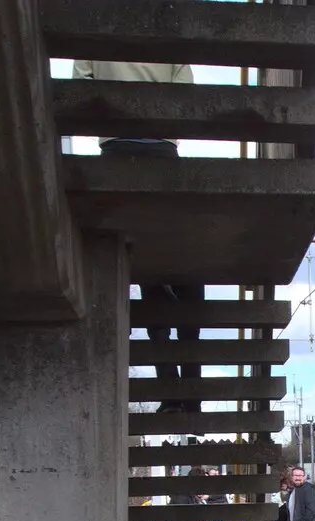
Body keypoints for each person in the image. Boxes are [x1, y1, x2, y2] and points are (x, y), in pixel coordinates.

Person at [73, 58, 200, 410]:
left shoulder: (94, 29)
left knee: (146, 270)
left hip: (114, 152)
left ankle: (170, 387)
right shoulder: (168, 30)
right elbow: (186, 94)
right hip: (161, 151)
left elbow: (79, 90)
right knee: (185, 268)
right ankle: (190, 385)